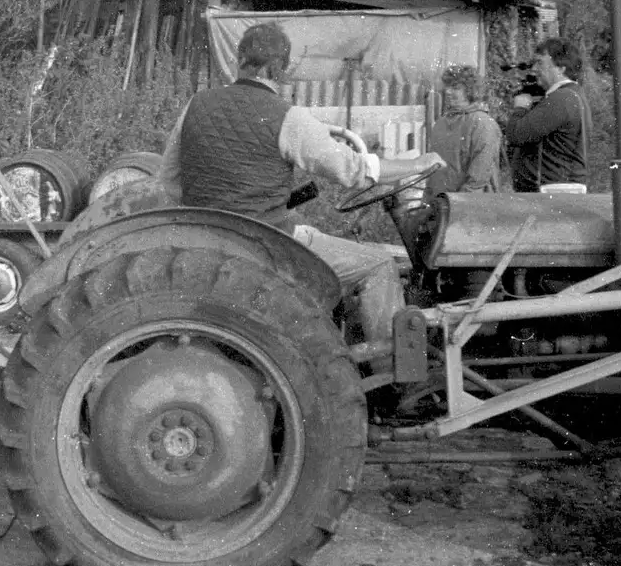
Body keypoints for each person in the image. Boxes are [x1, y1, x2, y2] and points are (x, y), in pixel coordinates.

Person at [157, 22, 444, 366]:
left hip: (207, 239)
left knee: (310, 232)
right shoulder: (288, 117)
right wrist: (417, 163)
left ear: (239, 60)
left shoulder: (195, 105)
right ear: (280, 68)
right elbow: (353, 171)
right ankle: (394, 377)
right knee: (379, 266)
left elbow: (168, 183)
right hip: (264, 246)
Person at [506, 37, 590, 193]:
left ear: (561, 68)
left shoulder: (561, 99)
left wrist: (520, 108)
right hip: (557, 186)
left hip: (551, 190)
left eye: (540, 63)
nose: (534, 69)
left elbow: (516, 134)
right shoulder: (572, 95)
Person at [425, 65, 503, 193]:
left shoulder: (483, 124)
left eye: (455, 87)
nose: (448, 91)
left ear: (470, 90)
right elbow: (433, 174)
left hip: (469, 204)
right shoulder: (441, 123)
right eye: (447, 86)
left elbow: (479, 177)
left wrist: (458, 204)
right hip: (440, 202)